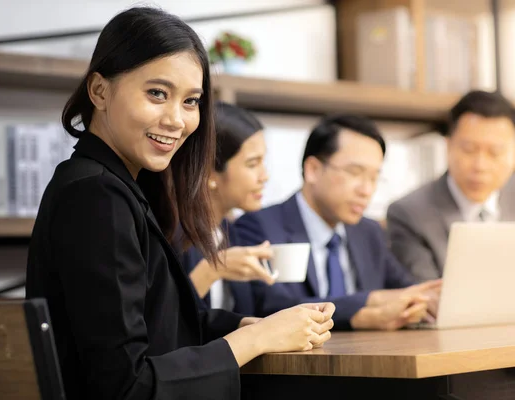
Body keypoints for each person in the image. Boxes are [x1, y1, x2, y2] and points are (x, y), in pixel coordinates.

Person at [25, 7, 335, 400]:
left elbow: (163, 324)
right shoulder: (96, 194)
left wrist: (250, 327)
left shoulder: (122, 186)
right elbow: (125, 386)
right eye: (157, 93)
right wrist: (254, 340)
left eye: (191, 101)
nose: (177, 119)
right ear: (99, 91)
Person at [235, 114, 441, 331]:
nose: (366, 190)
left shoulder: (368, 232)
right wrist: (367, 306)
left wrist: (425, 299)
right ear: (313, 169)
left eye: (374, 178)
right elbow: (274, 307)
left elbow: (405, 291)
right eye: (355, 173)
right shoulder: (260, 226)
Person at [387, 90, 515, 281]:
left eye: (495, 152)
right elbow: (425, 298)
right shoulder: (410, 214)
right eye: (469, 149)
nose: (480, 165)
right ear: (448, 146)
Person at [180, 102, 275, 315]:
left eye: (263, 162)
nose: (264, 176)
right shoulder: (173, 236)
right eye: (252, 164)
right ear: (209, 172)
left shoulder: (230, 232)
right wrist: (212, 270)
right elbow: (163, 323)